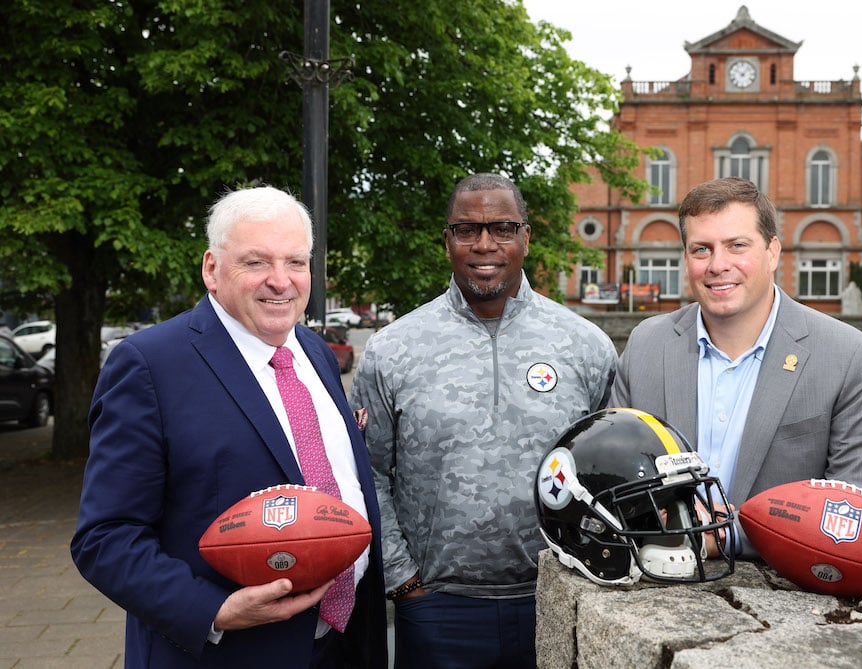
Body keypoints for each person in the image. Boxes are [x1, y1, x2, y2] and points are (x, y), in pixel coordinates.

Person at [71, 186, 387, 668]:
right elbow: (105, 538)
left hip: (343, 642)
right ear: (212, 269)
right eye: (256, 262)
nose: (281, 281)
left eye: (296, 262)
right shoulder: (150, 365)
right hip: (228, 654)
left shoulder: (316, 353)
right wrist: (212, 610)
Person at [348, 173, 618, 668]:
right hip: (436, 608)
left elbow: (608, 473)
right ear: (446, 240)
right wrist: (403, 582)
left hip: (559, 598)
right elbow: (367, 476)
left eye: (503, 228)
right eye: (467, 230)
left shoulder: (585, 346)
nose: (485, 244)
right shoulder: (393, 349)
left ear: (526, 237)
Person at [609, 177, 862, 558]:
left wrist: (727, 535)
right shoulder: (646, 344)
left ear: (773, 252)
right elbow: (613, 476)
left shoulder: (846, 356)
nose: (718, 265)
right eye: (701, 249)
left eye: (737, 246)